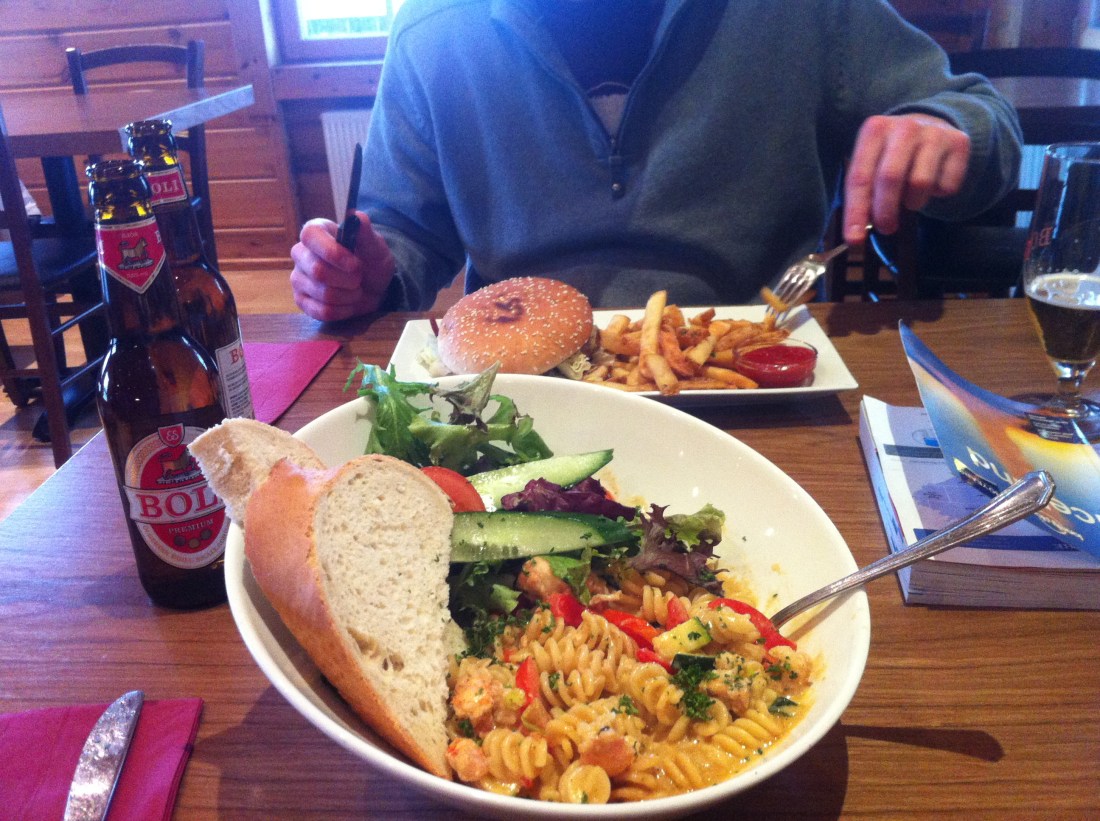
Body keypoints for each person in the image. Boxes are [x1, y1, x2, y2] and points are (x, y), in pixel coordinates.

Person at [290, 0, 1022, 321]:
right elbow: (404, 234)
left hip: (758, 372)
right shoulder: (430, 29)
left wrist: (942, 127)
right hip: (521, 393)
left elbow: (984, 122)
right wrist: (362, 277)